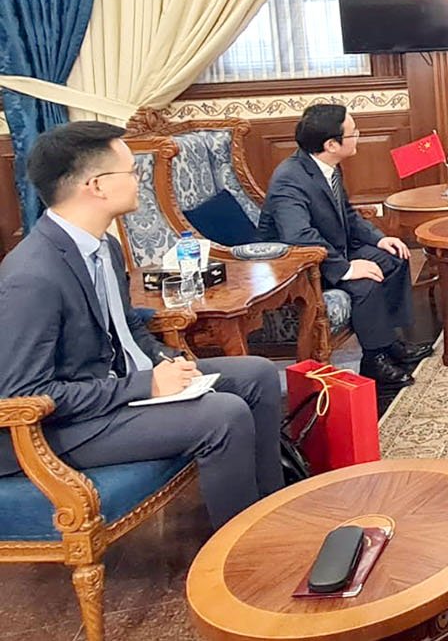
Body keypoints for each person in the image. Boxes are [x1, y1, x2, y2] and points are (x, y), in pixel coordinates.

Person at [0, 122, 283, 527]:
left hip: (114, 388)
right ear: (97, 186)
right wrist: (144, 386)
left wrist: (168, 361)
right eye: (132, 172)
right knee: (223, 415)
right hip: (63, 428)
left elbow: (128, 327)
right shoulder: (33, 275)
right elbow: (24, 395)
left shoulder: (106, 246)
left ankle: (272, 514)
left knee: (257, 375)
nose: (139, 181)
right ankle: (238, 548)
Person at [258, 104, 431, 389]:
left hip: (333, 248)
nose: (358, 136)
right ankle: (374, 360)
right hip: (299, 267)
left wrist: (378, 238)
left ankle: (390, 343)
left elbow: (348, 214)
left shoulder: (328, 166)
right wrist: (347, 268)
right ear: (331, 144)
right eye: (353, 133)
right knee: (366, 283)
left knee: (394, 258)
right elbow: (298, 236)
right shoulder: (289, 178)